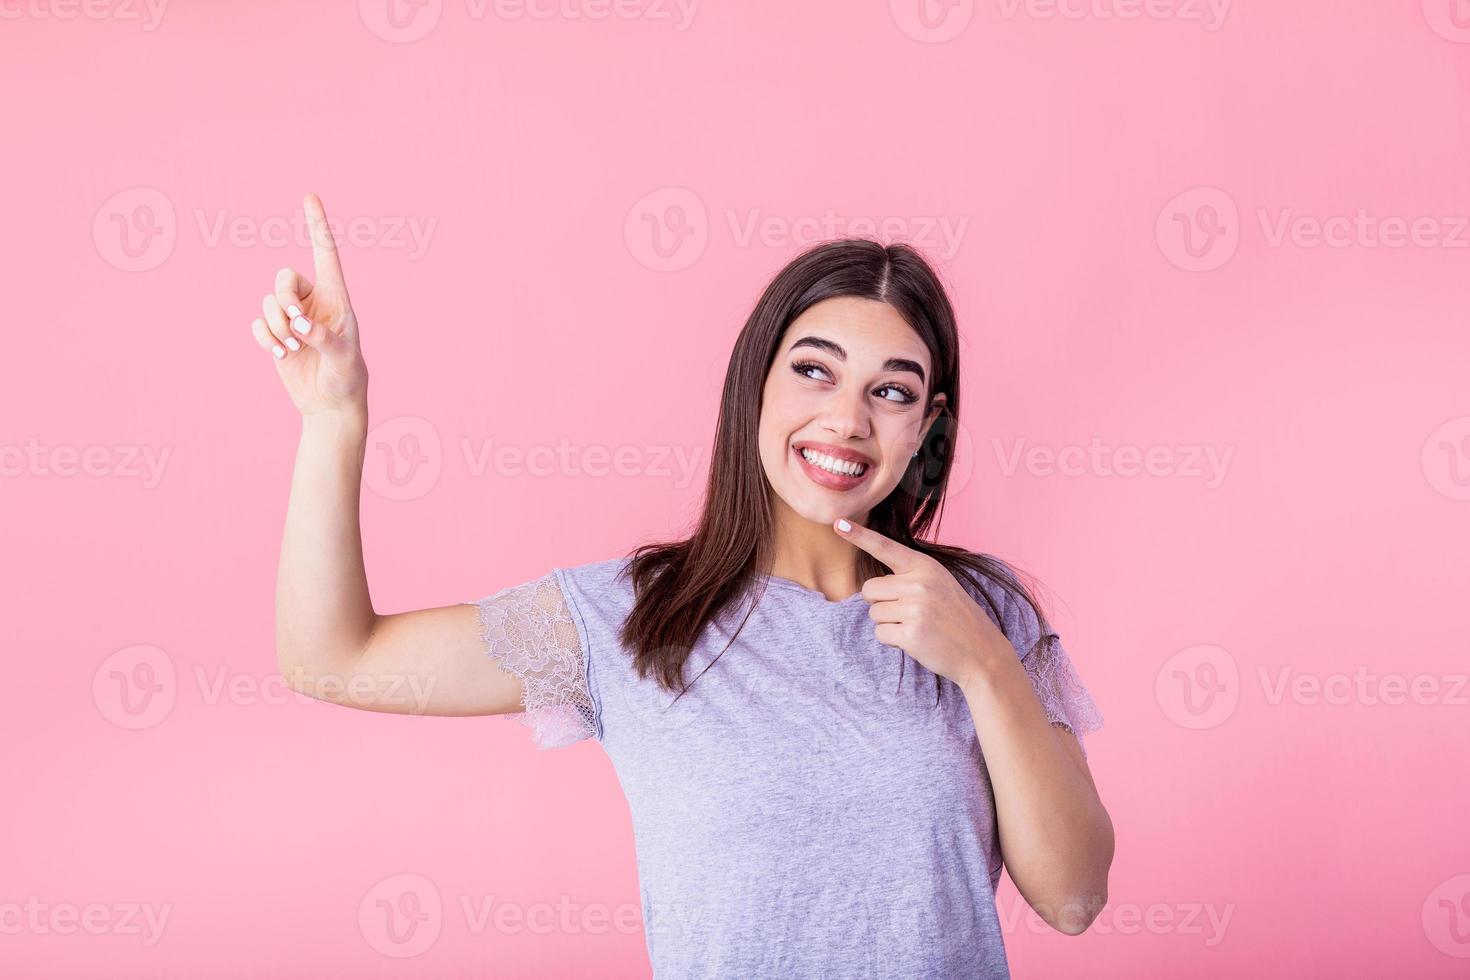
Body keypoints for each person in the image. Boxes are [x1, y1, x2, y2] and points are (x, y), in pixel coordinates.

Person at [256, 191, 1113, 978]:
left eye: (891, 392)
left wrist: (987, 666)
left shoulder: (981, 616)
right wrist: (334, 418)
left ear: (927, 425)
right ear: (757, 380)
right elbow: (334, 658)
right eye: (814, 370)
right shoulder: (628, 615)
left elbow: (1073, 898)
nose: (846, 419)